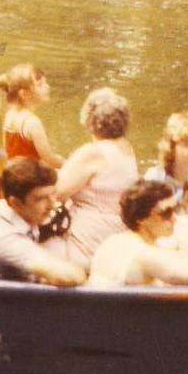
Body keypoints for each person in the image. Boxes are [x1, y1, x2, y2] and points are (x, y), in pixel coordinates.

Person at [0, 157, 86, 286]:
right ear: (16, 202)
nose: (52, 203)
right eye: (41, 198)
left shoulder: (2, 208)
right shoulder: (4, 236)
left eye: (53, 194)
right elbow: (67, 277)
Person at [47, 88, 140, 270]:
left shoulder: (93, 152)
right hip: (117, 229)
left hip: (88, 235)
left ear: (90, 120)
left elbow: (56, 193)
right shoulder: (127, 149)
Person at [0, 63, 61, 169]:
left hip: (13, 175)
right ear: (24, 94)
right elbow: (48, 159)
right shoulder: (32, 122)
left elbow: (8, 150)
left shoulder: (9, 115)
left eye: (45, 82)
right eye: (40, 85)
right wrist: (69, 164)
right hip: (31, 179)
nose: (47, 86)